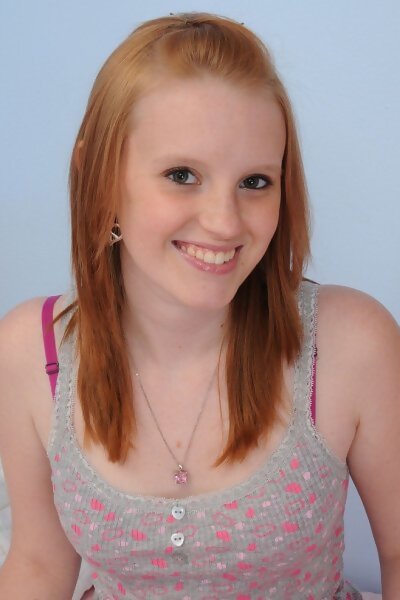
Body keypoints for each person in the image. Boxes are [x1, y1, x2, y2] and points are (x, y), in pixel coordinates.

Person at [0, 11, 398, 599]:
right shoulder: (30, 352)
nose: (225, 223)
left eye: (255, 182)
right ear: (100, 178)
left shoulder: (350, 343)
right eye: (182, 174)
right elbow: (37, 563)